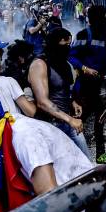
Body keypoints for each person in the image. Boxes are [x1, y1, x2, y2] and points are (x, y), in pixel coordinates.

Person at [27, 28, 89, 157]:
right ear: (54, 43)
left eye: (69, 44)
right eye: (65, 44)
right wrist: (70, 119)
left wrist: (73, 102)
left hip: (67, 120)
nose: (67, 48)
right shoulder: (40, 64)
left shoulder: (63, 64)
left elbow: (62, 88)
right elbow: (42, 102)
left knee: (86, 163)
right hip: (49, 125)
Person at [69, 5, 106, 164]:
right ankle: (71, 154)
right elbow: (71, 56)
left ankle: (100, 154)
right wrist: (85, 68)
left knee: (100, 117)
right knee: (80, 117)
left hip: (100, 83)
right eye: (103, 17)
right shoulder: (83, 34)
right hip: (84, 85)